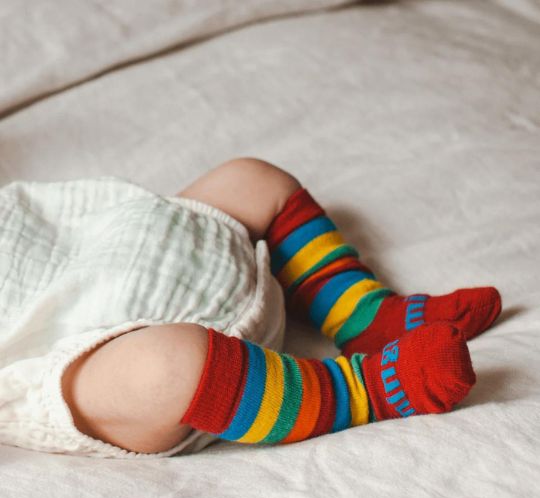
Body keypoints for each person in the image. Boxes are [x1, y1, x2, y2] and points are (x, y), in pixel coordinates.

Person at [0, 158, 501, 458]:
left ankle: (361, 312)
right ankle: (362, 390)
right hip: (69, 354)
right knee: (165, 369)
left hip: (117, 255)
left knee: (251, 179)